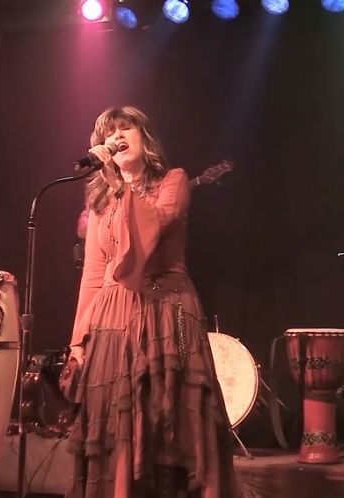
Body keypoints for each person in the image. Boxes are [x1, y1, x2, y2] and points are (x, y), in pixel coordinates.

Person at [67, 106, 239, 498]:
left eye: (125, 128)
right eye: (108, 134)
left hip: (167, 309)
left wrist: (119, 185)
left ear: (145, 138)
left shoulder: (172, 181)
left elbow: (154, 227)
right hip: (114, 317)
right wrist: (78, 338)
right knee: (116, 419)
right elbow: (94, 271)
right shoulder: (100, 201)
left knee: (166, 416)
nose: (117, 137)